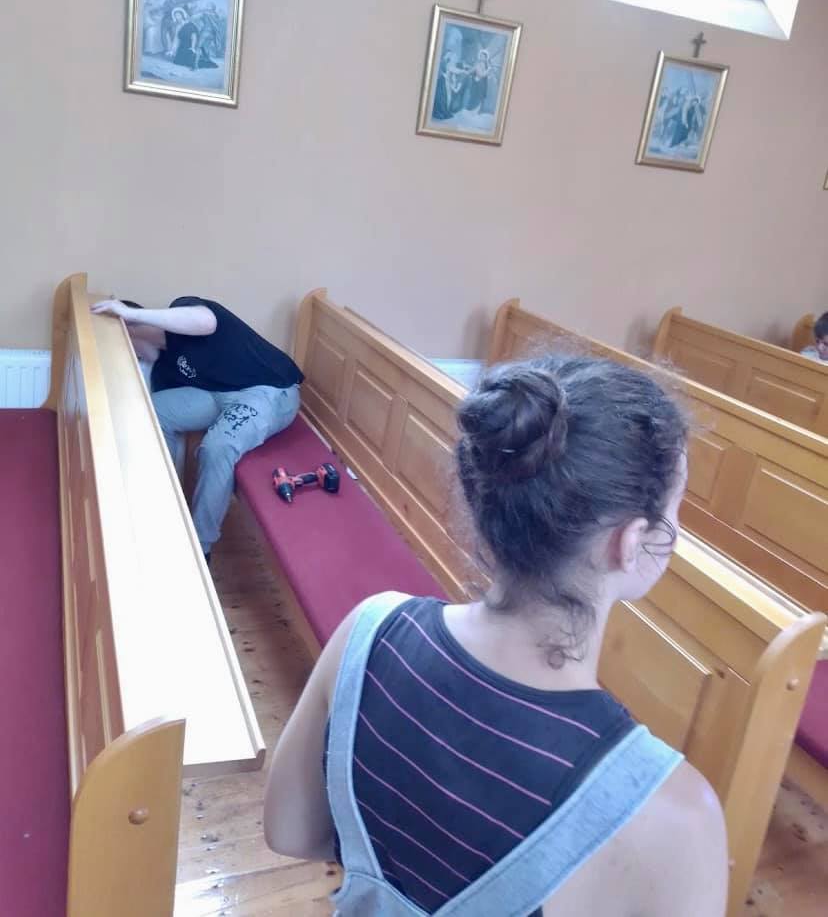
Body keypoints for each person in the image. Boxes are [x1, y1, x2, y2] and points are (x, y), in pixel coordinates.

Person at [263, 356, 728, 916]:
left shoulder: (369, 631)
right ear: (629, 543)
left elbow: (289, 831)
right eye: (676, 511)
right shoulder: (672, 812)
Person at [92, 296, 303, 562]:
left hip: (269, 390)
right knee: (151, 410)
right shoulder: (164, 369)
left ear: (130, 331)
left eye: (126, 346)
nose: (133, 355)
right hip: (216, 394)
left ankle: (200, 547)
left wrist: (130, 315)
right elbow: (155, 366)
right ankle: (162, 510)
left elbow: (206, 321)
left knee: (217, 446)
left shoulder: (184, 312)